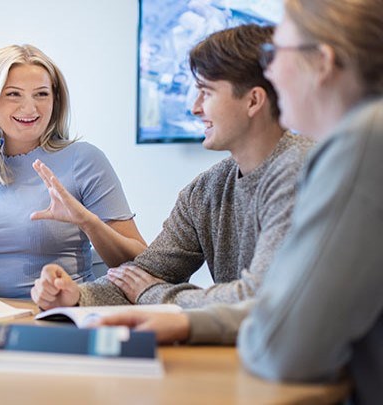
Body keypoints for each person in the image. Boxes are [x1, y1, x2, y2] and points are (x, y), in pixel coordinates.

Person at [99, 0, 383, 402]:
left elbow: (282, 345)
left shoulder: (362, 143)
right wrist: (190, 324)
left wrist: (160, 298)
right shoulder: (358, 140)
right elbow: (278, 307)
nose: (268, 72)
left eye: (274, 54)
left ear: (321, 62)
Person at [31, 24, 316, 310]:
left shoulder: (301, 169)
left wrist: (153, 294)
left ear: (253, 100)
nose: (195, 107)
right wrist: (76, 297)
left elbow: (260, 298)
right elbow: (142, 274)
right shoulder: (207, 189)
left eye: (207, 92)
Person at [0, 44, 146, 298]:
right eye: (14, 94)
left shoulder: (84, 160)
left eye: (41, 94)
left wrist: (87, 221)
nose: (30, 108)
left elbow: (140, 263)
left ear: (55, 100)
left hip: (64, 313)